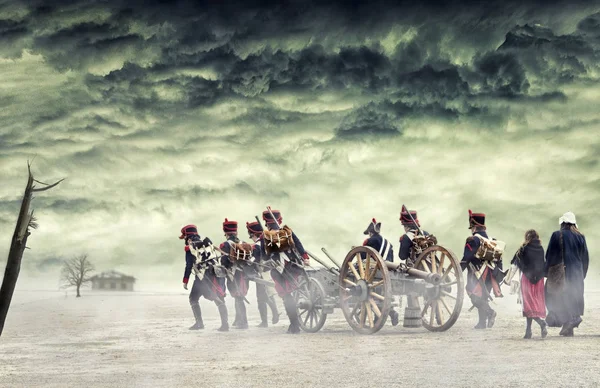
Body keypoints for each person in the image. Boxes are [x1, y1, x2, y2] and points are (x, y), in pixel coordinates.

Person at [261, 208, 310, 334]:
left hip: (279, 270)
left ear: (266, 222)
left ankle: (294, 325)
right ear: (279, 220)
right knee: (293, 292)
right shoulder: (287, 231)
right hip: (294, 266)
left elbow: (264, 256)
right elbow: (299, 245)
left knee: (287, 297)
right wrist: (305, 258)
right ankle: (295, 324)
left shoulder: (265, 235)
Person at [544, 211, 589, 337]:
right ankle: (569, 327)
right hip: (577, 273)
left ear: (563, 223)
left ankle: (572, 320)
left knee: (555, 296)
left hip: (562, 272)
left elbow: (550, 255)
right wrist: (582, 274)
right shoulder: (581, 236)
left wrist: (547, 271)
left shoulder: (556, 235)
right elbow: (585, 258)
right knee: (572, 297)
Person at [180, 224, 229, 332]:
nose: (184, 239)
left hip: (203, 276)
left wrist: (185, 281)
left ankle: (199, 323)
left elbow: (189, 265)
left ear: (187, 236)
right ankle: (225, 325)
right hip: (216, 273)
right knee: (219, 298)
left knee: (193, 298)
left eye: (184, 237)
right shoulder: (208, 244)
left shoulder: (191, 247)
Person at [460, 210, 504, 329]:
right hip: (491, 274)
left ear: (474, 227)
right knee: (484, 296)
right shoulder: (492, 239)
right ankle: (482, 323)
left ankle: (490, 312)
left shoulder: (473, 240)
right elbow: (499, 259)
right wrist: (498, 275)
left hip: (477, 273)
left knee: (472, 292)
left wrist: (459, 270)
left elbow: (467, 257)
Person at [511, 229, 548, 339]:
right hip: (539, 280)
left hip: (527, 279)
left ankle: (541, 324)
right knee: (535, 303)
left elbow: (516, 261)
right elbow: (542, 263)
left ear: (527, 237)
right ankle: (528, 331)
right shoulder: (541, 248)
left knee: (528, 304)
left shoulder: (524, 248)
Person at [362, 218, 398, 326]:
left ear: (370, 232)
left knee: (372, 296)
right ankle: (390, 313)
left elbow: (362, 257)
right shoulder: (388, 243)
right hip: (388, 272)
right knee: (381, 295)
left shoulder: (369, 241)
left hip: (374, 273)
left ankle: (384, 315)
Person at [246, 220, 280, 328]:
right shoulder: (266, 241)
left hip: (262, 272)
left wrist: (247, 262)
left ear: (253, 234)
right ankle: (273, 314)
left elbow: (255, 259)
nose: (250, 237)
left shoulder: (256, 246)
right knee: (267, 294)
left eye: (251, 235)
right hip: (269, 271)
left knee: (261, 298)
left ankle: (266, 320)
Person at [219, 218, 250, 330]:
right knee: (239, 297)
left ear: (226, 233)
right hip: (244, 275)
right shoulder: (244, 243)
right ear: (236, 232)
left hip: (234, 275)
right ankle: (238, 320)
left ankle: (243, 322)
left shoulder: (224, 245)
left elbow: (224, 262)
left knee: (238, 298)